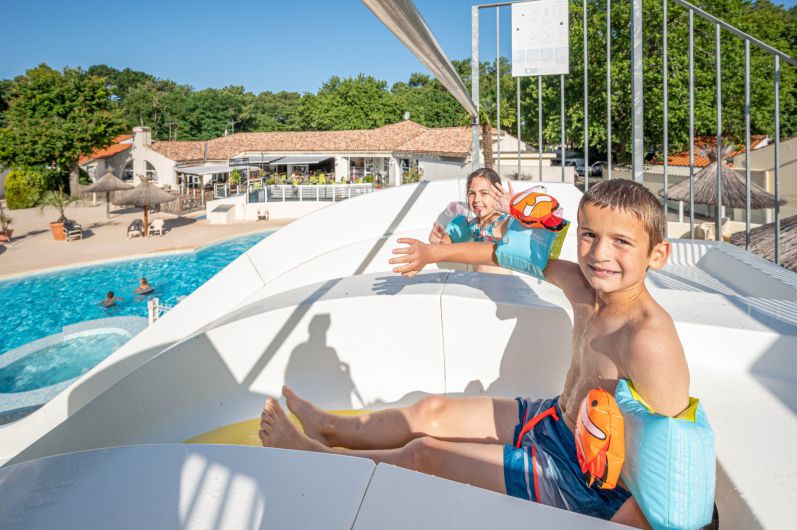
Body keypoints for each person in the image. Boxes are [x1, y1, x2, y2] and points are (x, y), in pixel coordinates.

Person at [258, 179, 688, 528]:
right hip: (555, 420)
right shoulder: (582, 286)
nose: (599, 254)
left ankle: (318, 456)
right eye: (590, 235)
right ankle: (329, 427)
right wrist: (432, 253)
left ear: (658, 254)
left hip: (581, 479)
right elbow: (507, 254)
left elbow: (673, 457)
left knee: (426, 452)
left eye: (621, 242)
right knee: (431, 410)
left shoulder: (648, 338)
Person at [429, 168, 511, 275]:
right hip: (477, 284)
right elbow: (445, 247)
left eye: (484, 193)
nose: (476, 199)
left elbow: (525, 229)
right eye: (472, 193)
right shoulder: (470, 226)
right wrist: (438, 240)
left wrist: (514, 211)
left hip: (503, 287)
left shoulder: (503, 223)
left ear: (498, 196)